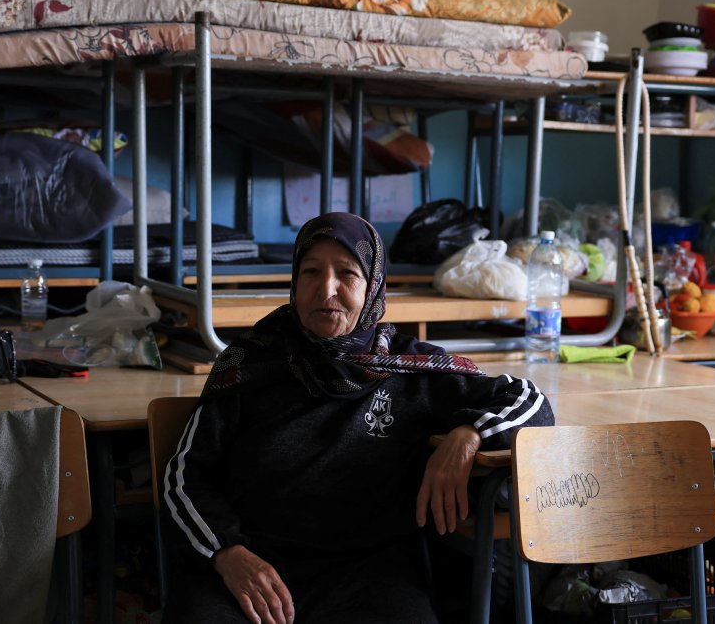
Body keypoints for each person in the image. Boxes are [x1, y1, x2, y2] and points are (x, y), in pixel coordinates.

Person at [162, 212, 554, 624]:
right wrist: (227, 554)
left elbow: (530, 400)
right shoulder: (248, 364)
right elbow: (185, 476)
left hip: (370, 578)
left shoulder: (409, 368)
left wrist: (469, 434)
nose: (325, 289)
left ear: (373, 287)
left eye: (346, 273)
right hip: (252, 569)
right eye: (310, 271)